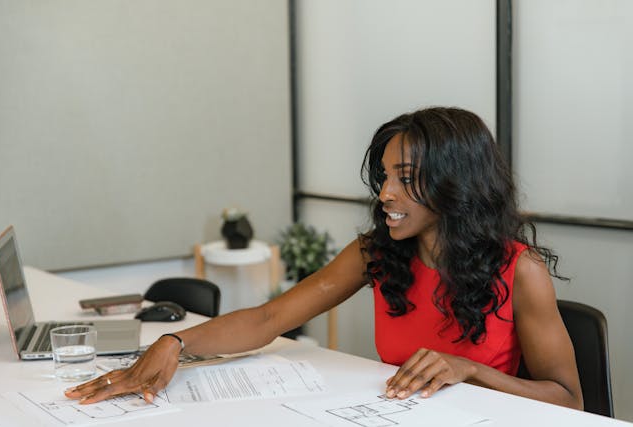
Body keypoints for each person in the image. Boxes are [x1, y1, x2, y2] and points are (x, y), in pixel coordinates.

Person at [65, 107, 583, 410]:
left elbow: (569, 399)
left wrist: (467, 369)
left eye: (406, 178)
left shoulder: (522, 270)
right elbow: (270, 318)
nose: (385, 193)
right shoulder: (376, 255)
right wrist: (175, 342)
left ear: (456, 185)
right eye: (384, 176)